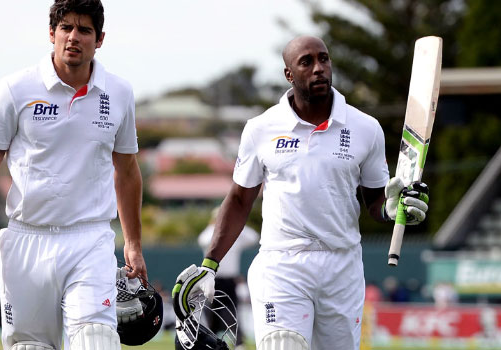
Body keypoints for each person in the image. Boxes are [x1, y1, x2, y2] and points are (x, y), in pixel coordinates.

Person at [173, 36, 429, 350]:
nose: (319, 68)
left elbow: (376, 202)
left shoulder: (366, 128)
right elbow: (240, 199)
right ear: (289, 75)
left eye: (324, 59)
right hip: (282, 263)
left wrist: (395, 209)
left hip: (342, 266)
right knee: (284, 344)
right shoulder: (261, 128)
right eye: (307, 62)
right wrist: (210, 264)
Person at [0, 1, 147, 349]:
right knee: (29, 346)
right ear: (51, 34)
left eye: (84, 30)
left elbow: (128, 171)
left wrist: (132, 244)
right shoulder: (15, 89)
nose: (74, 37)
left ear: (99, 39)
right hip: (26, 240)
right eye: (66, 28)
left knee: (96, 340)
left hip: (90, 240)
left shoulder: (119, 93)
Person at [197, 206, 259, 348]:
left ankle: (239, 343)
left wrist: (238, 224)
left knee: (232, 312)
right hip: (213, 280)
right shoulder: (209, 235)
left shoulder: (235, 236)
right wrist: (216, 225)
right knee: (211, 313)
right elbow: (203, 239)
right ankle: (210, 342)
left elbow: (253, 237)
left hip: (230, 280)